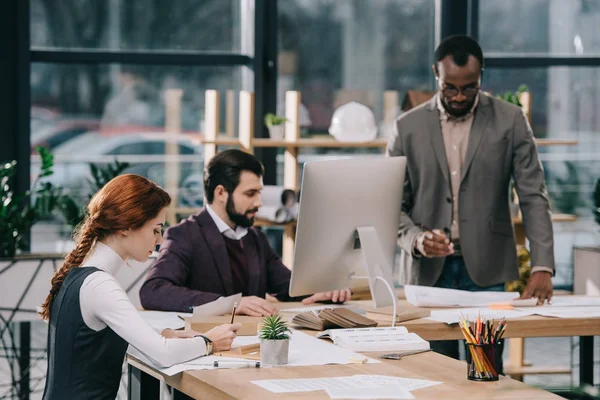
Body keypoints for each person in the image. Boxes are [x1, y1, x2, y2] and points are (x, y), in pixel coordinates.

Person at [387, 35, 554, 362]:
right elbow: (390, 204)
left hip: (489, 271)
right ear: (436, 73)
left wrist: (543, 266)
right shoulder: (406, 127)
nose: (460, 96)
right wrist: (416, 239)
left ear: (481, 78)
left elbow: (533, 196)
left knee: (486, 373)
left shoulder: (511, 120)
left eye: (469, 87)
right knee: (434, 374)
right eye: (450, 87)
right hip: (425, 276)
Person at [40, 174, 241, 400]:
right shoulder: (99, 285)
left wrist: (162, 334)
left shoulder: (82, 277)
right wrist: (209, 341)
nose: (160, 240)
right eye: (156, 229)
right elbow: (163, 354)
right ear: (126, 226)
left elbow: (107, 340)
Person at [140, 149, 351, 315]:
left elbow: (286, 285)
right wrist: (231, 304)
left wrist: (320, 289)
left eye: (259, 193)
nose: (259, 202)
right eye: (250, 194)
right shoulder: (184, 235)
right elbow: (154, 291)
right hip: (208, 347)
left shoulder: (254, 237)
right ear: (221, 192)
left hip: (254, 343)